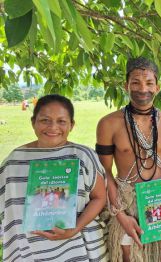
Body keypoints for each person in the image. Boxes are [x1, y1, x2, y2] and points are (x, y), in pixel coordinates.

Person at [96, 57, 161, 262]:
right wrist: (120, 216)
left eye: (149, 83)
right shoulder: (109, 124)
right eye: (135, 82)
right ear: (126, 85)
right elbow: (104, 172)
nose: (142, 88)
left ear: (158, 87)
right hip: (126, 202)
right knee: (129, 255)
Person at [0, 94, 108, 261]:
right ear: (33, 122)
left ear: (71, 125)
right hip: (31, 251)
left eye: (61, 121)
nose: (53, 127)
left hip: (78, 249)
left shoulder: (83, 156)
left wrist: (75, 227)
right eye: (45, 120)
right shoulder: (15, 161)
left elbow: (100, 197)